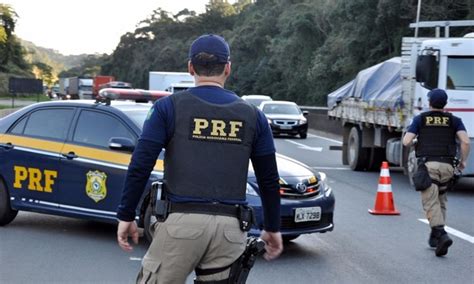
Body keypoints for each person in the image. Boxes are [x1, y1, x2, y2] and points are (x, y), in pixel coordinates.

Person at [116, 34, 283, 283]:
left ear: (190, 67)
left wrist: (126, 215)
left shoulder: (167, 108)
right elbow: (269, 179)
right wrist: (272, 226)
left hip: (180, 225)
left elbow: (141, 165)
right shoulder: (253, 116)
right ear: (228, 68)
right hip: (230, 229)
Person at [403, 88, 470, 257]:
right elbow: (465, 142)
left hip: (428, 166)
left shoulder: (421, 119)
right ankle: (434, 238)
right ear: (445, 103)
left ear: (429, 102)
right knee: (440, 199)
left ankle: (441, 234)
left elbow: (406, 141)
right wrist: (463, 161)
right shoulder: (455, 120)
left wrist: (417, 139)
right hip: (448, 167)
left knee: (430, 201)